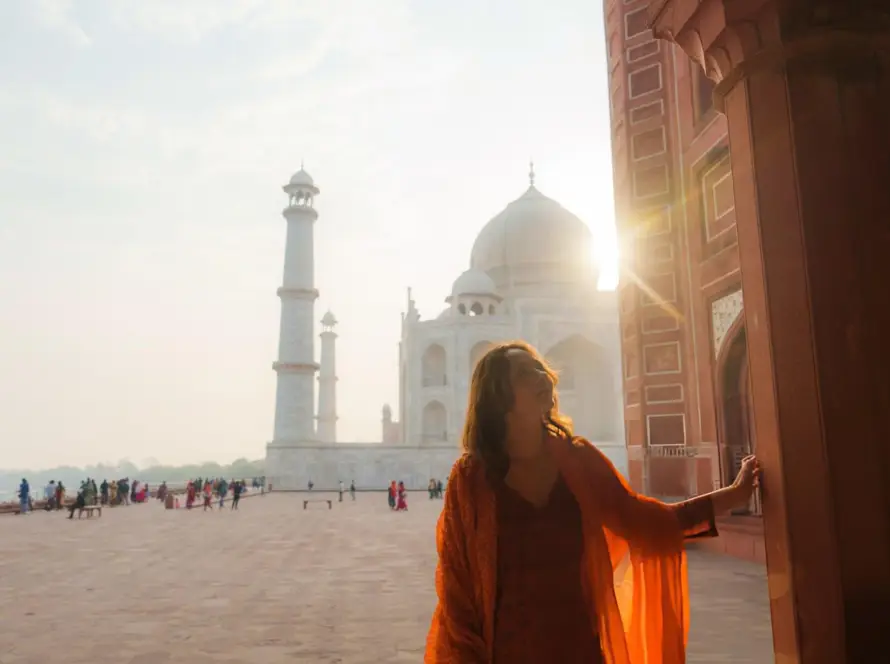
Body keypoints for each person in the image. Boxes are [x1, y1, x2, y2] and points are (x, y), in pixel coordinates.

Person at [424, 341, 760, 664]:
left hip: (579, 646)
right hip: (507, 652)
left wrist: (732, 494)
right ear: (498, 397)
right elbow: (458, 594)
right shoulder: (471, 481)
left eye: (541, 369)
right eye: (526, 373)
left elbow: (647, 521)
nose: (544, 377)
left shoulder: (577, 461)